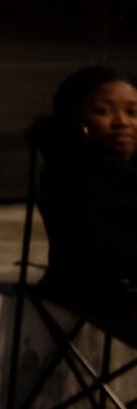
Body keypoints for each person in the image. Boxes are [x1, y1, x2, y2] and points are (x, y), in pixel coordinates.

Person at [30, 65, 137, 313]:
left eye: (132, 112)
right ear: (76, 118)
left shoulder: (122, 166)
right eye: (102, 111)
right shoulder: (76, 169)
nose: (122, 122)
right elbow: (102, 249)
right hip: (102, 289)